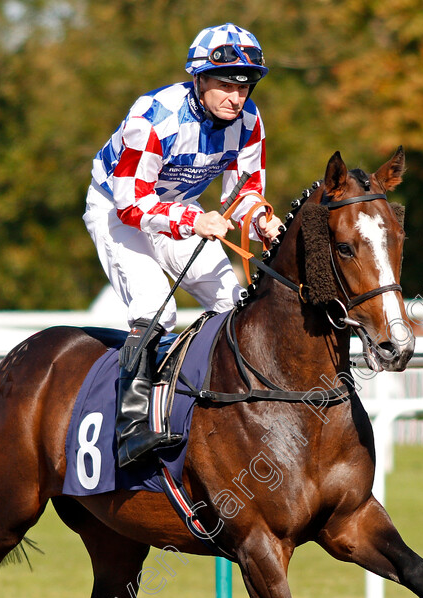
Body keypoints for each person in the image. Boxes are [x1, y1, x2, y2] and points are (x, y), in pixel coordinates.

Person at [83, 22, 283, 468]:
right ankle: (132, 431)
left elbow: (243, 194)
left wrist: (263, 221)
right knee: (157, 307)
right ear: (199, 78)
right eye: (226, 85)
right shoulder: (153, 116)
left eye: (245, 86)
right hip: (118, 211)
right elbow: (131, 204)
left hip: (180, 209)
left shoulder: (250, 123)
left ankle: (229, 416)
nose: (237, 97)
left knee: (232, 304)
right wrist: (195, 220)